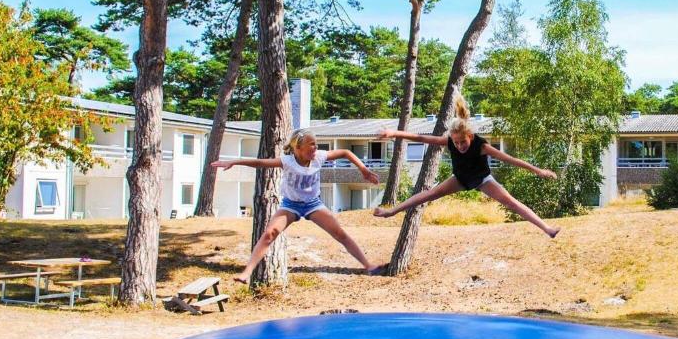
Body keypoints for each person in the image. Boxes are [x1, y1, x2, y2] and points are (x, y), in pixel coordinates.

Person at [373, 93, 561, 237]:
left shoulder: (482, 147)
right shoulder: (449, 141)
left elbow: (511, 160)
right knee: (429, 194)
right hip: (460, 179)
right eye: (456, 143)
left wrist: (539, 171)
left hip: (482, 180)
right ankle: (391, 212)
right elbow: (420, 137)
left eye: (463, 142)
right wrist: (394, 133)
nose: (460, 146)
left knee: (510, 202)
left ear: (470, 136)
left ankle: (547, 229)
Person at [212, 129, 387, 283]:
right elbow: (260, 163)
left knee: (340, 233)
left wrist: (363, 169)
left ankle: (369, 265)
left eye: (316, 144)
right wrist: (234, 162)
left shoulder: (319, 157)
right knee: (269, 234)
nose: (315, 148)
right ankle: (247, 272)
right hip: (290, 205)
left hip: (313, 204)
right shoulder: (287, 161)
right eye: (311, 145)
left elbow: (346, 152)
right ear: (298, 148)